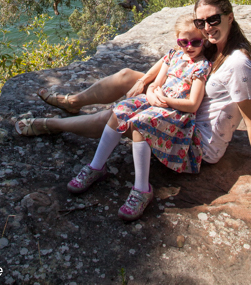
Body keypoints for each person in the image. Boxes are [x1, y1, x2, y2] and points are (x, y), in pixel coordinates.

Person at [16, 0, 251, 204]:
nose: (207, 27)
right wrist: (147, 85)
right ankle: (74, 102)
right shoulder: (214, 45)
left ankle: (52, 125)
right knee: (130, 75)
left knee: (119, 116)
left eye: (213, 20)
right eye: (202, 22)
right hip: (183, 106)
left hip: (196, 135)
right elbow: (173, 59)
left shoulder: (239, 64)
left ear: (230, 18)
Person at [65, 13, 212, 220]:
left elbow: (193, 104)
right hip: (157, 102)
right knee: (120, 110)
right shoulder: (174, 56)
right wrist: (151, 93)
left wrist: (165, 101)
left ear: (203, 41)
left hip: (176, 113)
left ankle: (142, 189)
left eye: (195, 41)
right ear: (177, 40)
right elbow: (156, 83)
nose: (189, 46)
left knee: (141, 123)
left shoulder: (201, 67)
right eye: (183, 41)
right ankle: (96, 166)